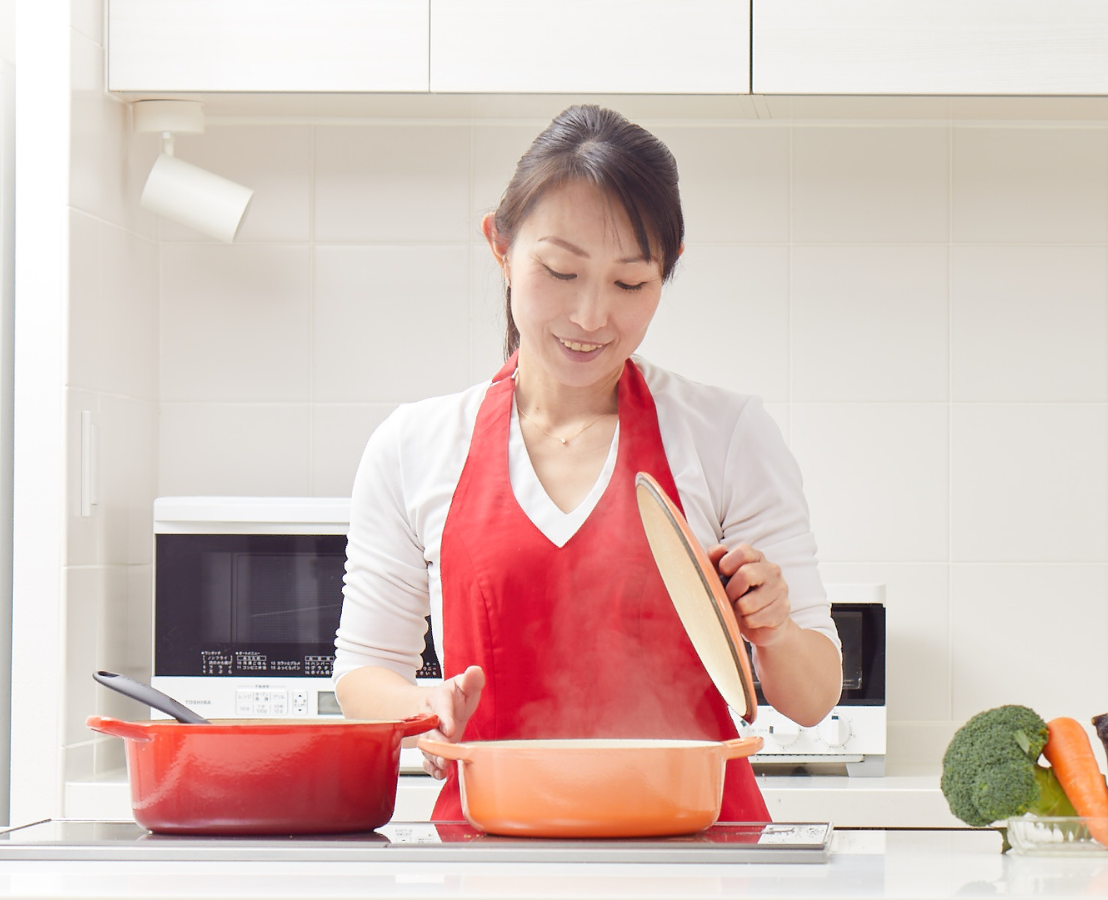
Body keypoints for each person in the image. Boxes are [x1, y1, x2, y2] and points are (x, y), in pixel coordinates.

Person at [330, 105, 842, 824]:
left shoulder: (727, 434)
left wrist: (777, 631)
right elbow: (362, 670)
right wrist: (421, 704)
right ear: (500, 246)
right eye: (561, 272)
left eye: (630, 284)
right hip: (494, 848)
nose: (592, 316)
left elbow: (813, 698)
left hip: (700, 851)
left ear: (668, 270)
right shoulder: (414, 444)